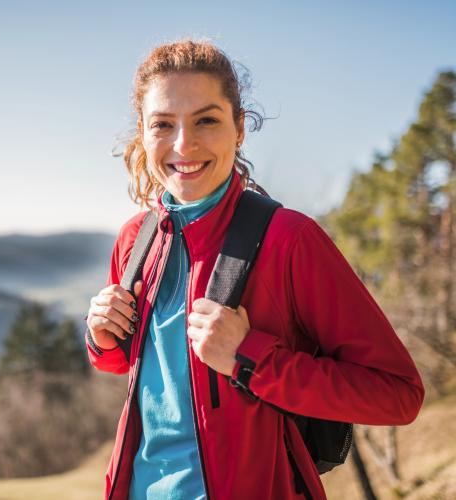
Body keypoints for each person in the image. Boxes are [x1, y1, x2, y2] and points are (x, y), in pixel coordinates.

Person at [85, 39, 424, 500]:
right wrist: (103, 338)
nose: (184, 144)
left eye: (206, 119)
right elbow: (136, 366)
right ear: (143, 135)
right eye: (163, 124)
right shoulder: (135, 240)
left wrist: (252, 360)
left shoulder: (289, 240)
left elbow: (397, 394)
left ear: (239, 128)